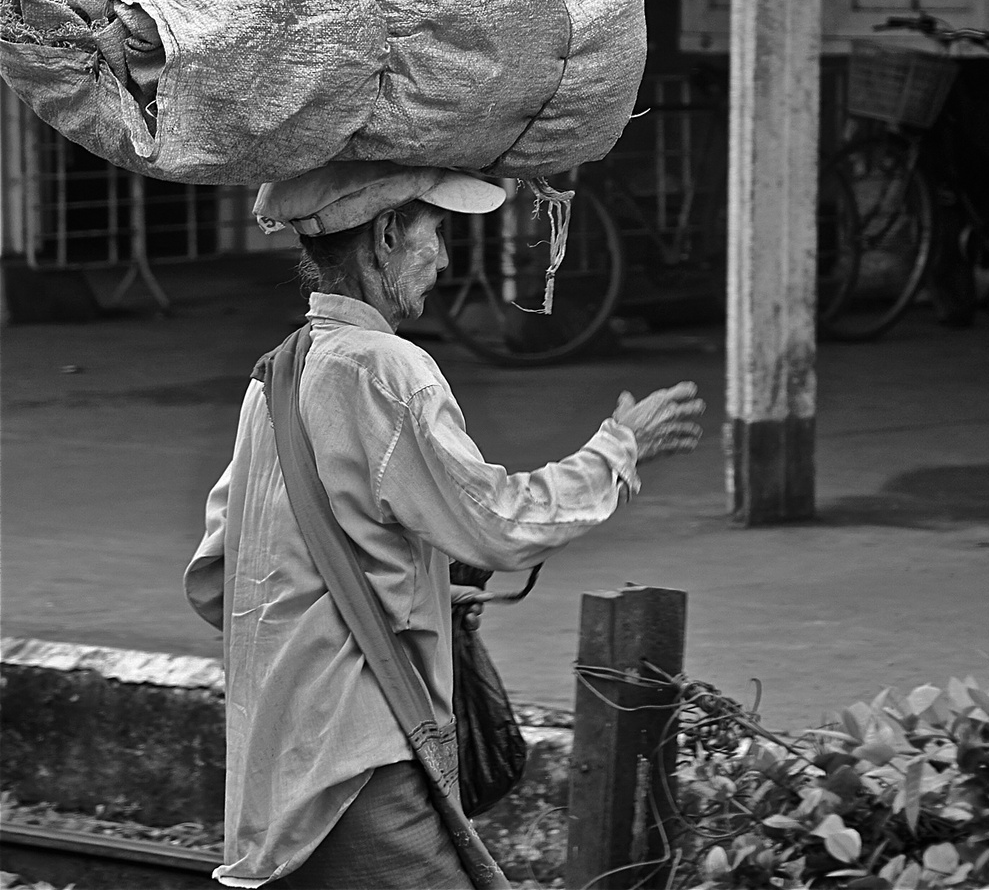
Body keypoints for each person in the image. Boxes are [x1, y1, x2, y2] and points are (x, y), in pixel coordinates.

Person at [184, 161, 704, 889]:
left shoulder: (275, 375)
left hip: (279, 752)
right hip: (357, 751)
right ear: (389, 234)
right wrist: (619, 450)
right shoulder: (388, 370)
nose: (447, 256)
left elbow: (219, 576)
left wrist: (405, 590)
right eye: (437, 232)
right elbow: (496, 522)